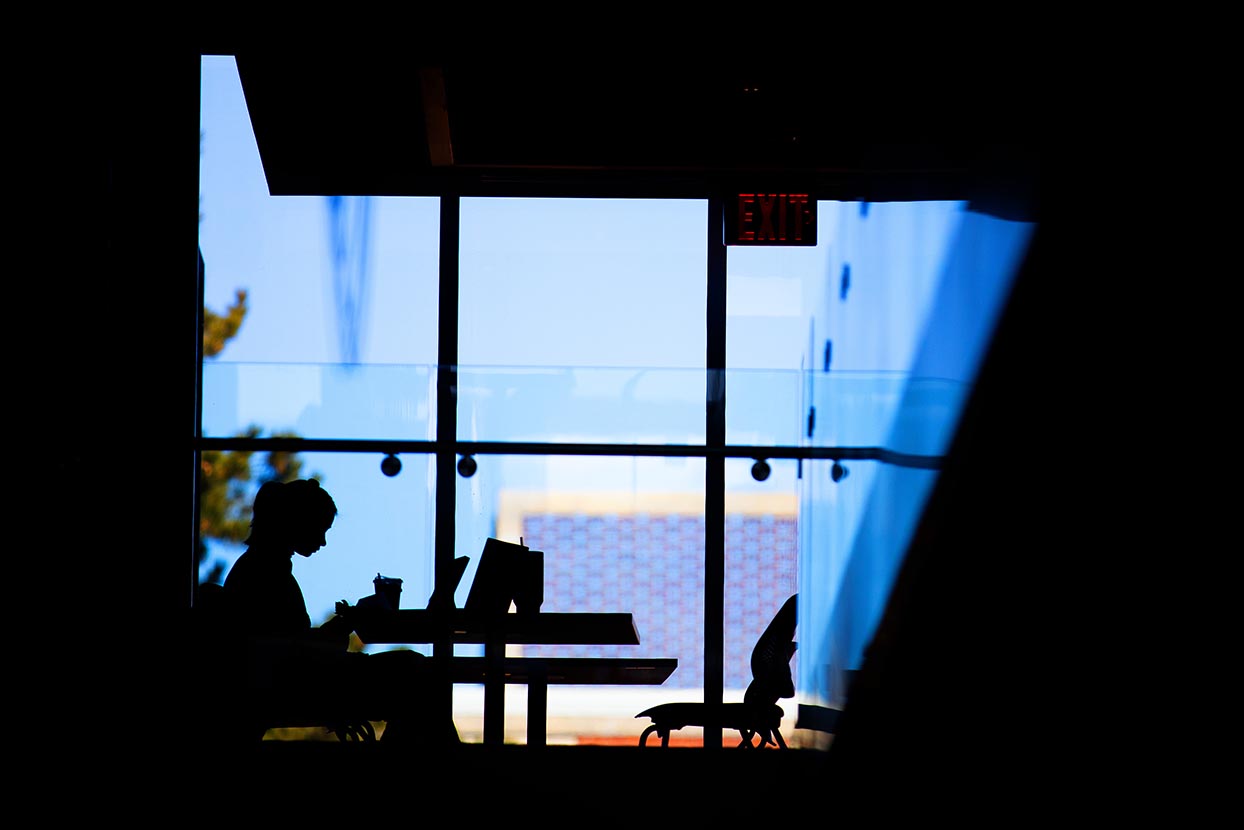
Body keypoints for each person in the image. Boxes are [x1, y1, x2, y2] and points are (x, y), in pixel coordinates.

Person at [216, 477, 458, 745]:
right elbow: (289, 651)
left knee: (416, 672)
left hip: (298, 682)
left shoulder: (257, 568)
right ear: (297, 521)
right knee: (416, 672)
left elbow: (286, 643)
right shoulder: (266, 572)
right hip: (303, 686)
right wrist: (343, 627)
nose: (322, 541)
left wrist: (340, 627)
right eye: (320, 529)